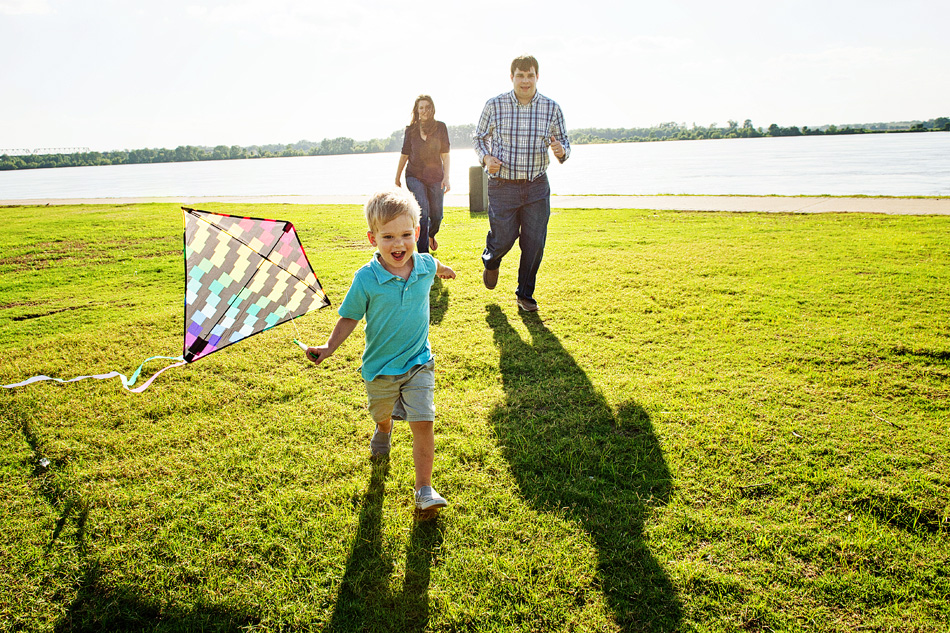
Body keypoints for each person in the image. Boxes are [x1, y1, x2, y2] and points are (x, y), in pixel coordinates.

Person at [307, 189, 456, 512]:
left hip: (419, 363)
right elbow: (349, 317)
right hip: (380, 369)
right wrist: (329, 347)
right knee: (382, 413)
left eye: (405, 235)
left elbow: (435, 263)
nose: (398, 244)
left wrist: (445, 269)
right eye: (388, 237)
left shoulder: (425, 265)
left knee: (423, 421)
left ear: (416, 233)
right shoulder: (366, 279)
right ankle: (383, 429)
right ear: (372, 238)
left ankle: (424, 490)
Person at [473, 55, 570, 312]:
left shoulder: (552, 108)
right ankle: (492, 260)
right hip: (502, 186)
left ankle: (524, 294)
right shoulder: (495, 105)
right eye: (520, 75)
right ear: (512, 77)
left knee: (534, 242)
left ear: (537, 76)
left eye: (530, 75)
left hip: (537, 185)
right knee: (503, 238)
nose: (525, 80)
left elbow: (564, 143)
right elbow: (479, 137)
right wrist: (486, 157)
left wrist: (561, 150)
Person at [395, 95, 451, 254]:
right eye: (421, 107)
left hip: (436, 177)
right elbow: (405, 154)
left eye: (427, 107)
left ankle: (431, 234)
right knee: (423, 212)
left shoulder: (441, 127)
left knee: (437, 215)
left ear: (432, 109)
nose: (424, 110)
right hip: (414, 176)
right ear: (417, 110)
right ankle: (423, 255)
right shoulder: (411, 130)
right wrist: (397, 177)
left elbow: (445, 155)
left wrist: (446, 177)